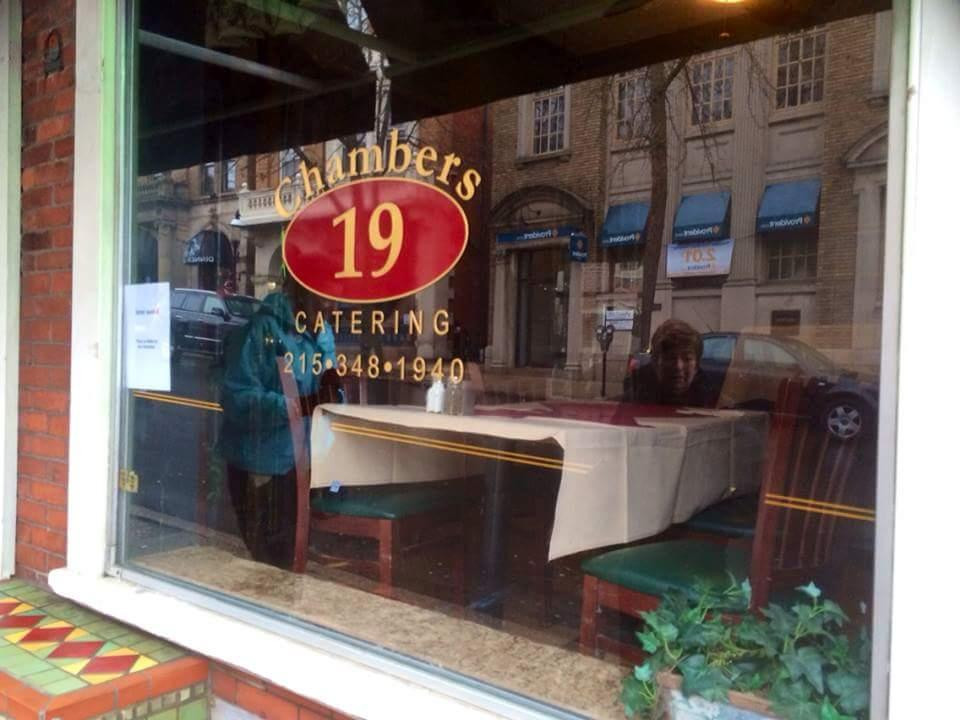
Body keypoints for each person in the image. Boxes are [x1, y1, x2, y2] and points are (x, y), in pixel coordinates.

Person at [218, 272, 336, 568]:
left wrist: (333, 396)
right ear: (301, 292)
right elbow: (236, 397)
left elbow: (331, 388)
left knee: (288, 558)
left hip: (306, 461)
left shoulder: (322, 331)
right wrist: (293, 407)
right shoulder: (262, 328)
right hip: (262, 463)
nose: (332, 303)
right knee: (273, 560)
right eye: (324, 294)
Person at [624, 319, 712, 406]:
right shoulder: (632, 400)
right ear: (655, 362)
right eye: (671, 358)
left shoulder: (713, 404)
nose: (678, 366)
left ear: (696, 366)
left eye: (687, 359)